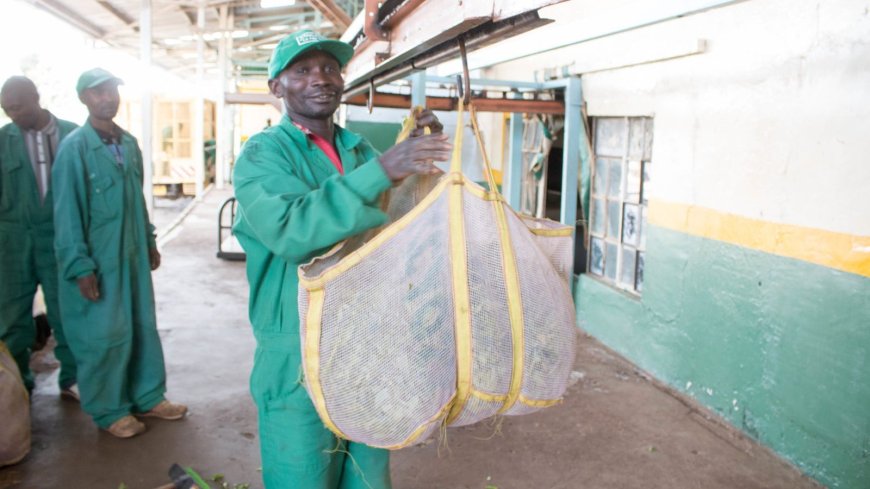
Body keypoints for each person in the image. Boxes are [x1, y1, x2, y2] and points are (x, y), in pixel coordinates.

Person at [233, 30, 452, 488]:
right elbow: (293, 231)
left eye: (330, 68)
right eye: (303, 70)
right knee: (303, 474)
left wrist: (415, 159)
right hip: (297, 343)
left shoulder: (358, 149)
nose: (321, 78)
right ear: (277, 87)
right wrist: (386, 168)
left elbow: (394, 219)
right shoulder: (262, 154)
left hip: (366, 337)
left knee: (367, 475)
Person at [51, 68, 187, 439]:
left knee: (142, 326)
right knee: (104, 336)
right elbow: (66, 215)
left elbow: (138, 201)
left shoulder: (127, 144)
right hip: (99, 261)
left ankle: (148, 396)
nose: (107, 97)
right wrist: (80, 266)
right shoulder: (74, 148)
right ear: (84, 99)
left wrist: (148, 240)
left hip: (131, 256)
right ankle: (109, 410)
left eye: (112, 90)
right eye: (98, 92)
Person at [0, 76, 79, 398]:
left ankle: (72, 380)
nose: (12, 115)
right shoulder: (3, 140)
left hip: (60, 239)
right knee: (11, 319)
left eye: (17, 107)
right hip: (12, 242)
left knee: (68, 315)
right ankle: (18, 386)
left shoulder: (73, 135)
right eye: (7, 110)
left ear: (36, 97)